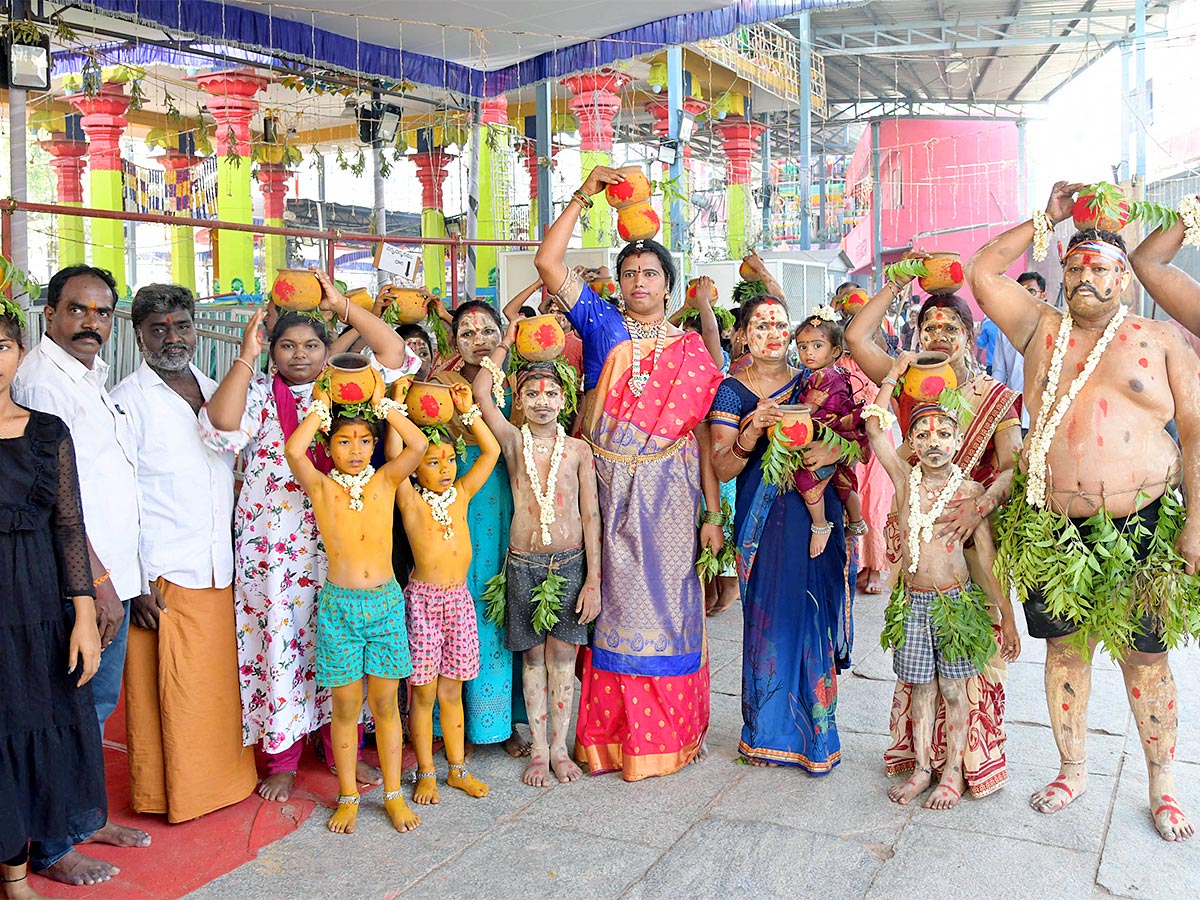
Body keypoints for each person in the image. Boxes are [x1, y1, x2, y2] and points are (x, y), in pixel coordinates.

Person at [967, 181, 1200, 842]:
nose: (1085, 276)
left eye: (1100, 268)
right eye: (1073, 267)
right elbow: (983, 271)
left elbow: (1197, 431)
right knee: (1064, 653)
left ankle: (1163, 783)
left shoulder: (1159, 341)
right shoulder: (1038, 329)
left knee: (1146, 660)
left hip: (1143, 526)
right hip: (1051, 526)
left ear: (1124, 279)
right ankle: (1073, 768)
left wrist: (1197, 522)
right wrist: (1049, 216)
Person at [534, 167, 726, 780]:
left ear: (668, 285)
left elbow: (698, 434)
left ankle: (668, 735)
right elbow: (546, 260)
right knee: (610, 608)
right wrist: (584, 196)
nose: (639, 282)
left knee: (668, 608)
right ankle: (611, 737)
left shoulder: (691, 349)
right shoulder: (600, 322)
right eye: (630, 274)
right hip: (605, 485)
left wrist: (712, 513)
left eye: (651, 274)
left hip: (670, 492)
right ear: (617, 284)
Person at [201, 269, 411, 802]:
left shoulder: (344, 393)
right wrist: (247, 354)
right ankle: (282, 758)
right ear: (272, 352)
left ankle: (338, 748)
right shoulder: (256, 396)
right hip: (272, 551)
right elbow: (220, 425)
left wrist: (343, 306)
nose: (300, 354)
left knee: (339, 650)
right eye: (287, 346)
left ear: (326, 349)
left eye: (311, 344)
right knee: (278, 646)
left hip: (335, 553)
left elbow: (394, 353)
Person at [845, 262, 1022, 799]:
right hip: (919, 535)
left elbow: (1013, 466)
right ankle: (921, 760)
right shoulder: (910, 384)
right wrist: (899, 281)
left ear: (970, 336)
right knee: (921, 675)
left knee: (973, 665)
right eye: (931, 328)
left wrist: (980, 506)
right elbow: (855, 336)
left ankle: (969, 764)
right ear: (918, 335)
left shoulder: (993, 396)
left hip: (974, 522)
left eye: (951, 328)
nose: (940, 336)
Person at [11, 265, 151, 885]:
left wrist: (130, 578)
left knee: (93, 705)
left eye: (101, 312)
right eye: (77, 309)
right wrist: (94, 586)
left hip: (113, 575)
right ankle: (52, 844)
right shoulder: (41, 381)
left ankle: (82, 815)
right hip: (76, 582)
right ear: (50, 315)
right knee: (64, 710)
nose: (90, 322)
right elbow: (54, 505)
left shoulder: (90, 377)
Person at [110, 284, 257, 825]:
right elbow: (121, 495)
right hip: (164, 570)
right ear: (139, 334)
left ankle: (227, 784)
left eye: (181, 326)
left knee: (217, 690)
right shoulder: (127, 401)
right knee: (169, 692)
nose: (172, 338)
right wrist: (139, 579)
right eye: (158, 329)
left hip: (221, 566)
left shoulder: (215, 387)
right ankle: (172, 795)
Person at [709, 293, 851, 771]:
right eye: (761, 326)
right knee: (770, 619)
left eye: (780, 325)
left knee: (812, 615)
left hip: (816, 514)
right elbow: (724, 467)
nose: (773, 334)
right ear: (743, 334)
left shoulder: (814, 381)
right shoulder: (731, 390)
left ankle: (816, 736)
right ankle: (765, 734)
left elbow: (855, 443)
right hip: (764, 521)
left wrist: (832, 450)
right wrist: (752, 431)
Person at [284, 368, 428, 834]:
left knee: (386, 706)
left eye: (364, 441)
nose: (355, 450)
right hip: (341, 608)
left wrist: (383, 403)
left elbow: (419, 448)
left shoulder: (385, 481)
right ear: (327, 448)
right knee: (345, 708)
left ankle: (390, 794)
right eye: (344, 442)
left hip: (385, 604)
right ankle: (347, 794)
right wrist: (323, 407)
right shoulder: (322, 487)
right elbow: (292, 449)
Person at [0, 300, 108, 898]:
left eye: (3, 347)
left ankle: (17, 880)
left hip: (39, 608)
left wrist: (84, 616)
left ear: (19, 353)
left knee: (31, 727)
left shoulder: (47, 430)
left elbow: (69, 527)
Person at [473, 336, 602, 788]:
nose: (542, 402)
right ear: (520, 400)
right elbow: (480, 395)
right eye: (531, 394)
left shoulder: (579, 451)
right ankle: (539, 751)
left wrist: (594, 582)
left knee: (564, 656)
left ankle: (562, 748)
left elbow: (590, 516)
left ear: (564, 399)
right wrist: (506, 340)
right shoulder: (510, 442)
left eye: (550, 394)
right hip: (523, 565)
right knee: (532, 657)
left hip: (569, 564)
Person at [393, 381, 498, 804]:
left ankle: (457, 769)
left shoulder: (461, 495)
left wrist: (468, 409)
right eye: (433, 462)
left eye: (450, 459)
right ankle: (426, 771)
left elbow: (490, 452)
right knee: (424, 694)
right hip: (423, 603)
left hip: (459, 602)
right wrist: (396, 405)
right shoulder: (409, 501)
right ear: (415, 466)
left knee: (452, 690)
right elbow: (394, 458)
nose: (445, 468)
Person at [432, 300, 528, 757]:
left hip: (500, 497)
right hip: (451, 498)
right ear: (454, 342)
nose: (479, 340)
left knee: (496, 600)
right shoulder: (438, 382)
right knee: (452, 602)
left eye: (487, 330)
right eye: (467, 334)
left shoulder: (518, 383)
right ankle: (451, 722)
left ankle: (498, 722)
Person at [831, 283, 895, 595]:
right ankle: (853, 563)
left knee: (875, 502)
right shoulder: (835, 339)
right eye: (849, 295)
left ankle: (874, 567)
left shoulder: (874, 340)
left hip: (879, 431)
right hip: (846, 435)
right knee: (850, 498)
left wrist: (868, 315)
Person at [791, 311, 869, 557]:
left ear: (835, 351)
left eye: (817, 345)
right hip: (839, 434)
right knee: (845, 482)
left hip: (827, 434)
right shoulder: (836, 372)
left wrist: (778, 410)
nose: (808, 352)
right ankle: (856, 521)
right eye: (802, 346)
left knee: (805, 477)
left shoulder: (823, 375)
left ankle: (821, 524)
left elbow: (809, 409)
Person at [991, 273, 1042, 431]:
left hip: (1046, 417)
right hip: (1016, 416)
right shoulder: (1006, 329)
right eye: (1021, 291)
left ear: (1043, 295)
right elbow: (999, 371)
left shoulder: (1058, 329)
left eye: (1031, 291)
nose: (1026, 296)